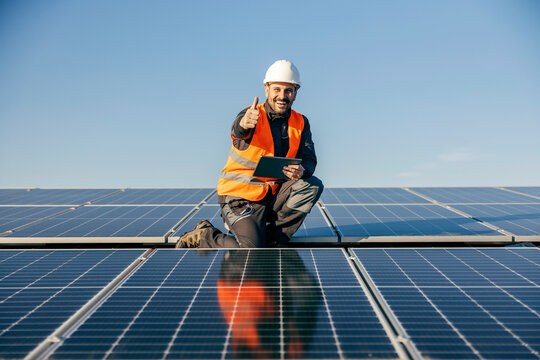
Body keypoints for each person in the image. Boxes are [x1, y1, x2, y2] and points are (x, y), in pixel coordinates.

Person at [177, 60, 323, 248]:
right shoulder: (252, 114)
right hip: (240, 197)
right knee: (251, 249)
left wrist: (303, 170)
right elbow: (238, 130)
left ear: (296, 93)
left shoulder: (301, 122)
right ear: (266, 90)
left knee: (311, 185)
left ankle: (275, 239)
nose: (282, 96)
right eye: (277, 89)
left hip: (272, 197)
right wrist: (244, 123)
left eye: (288, 91)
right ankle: (206, 235)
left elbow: (310, 158)